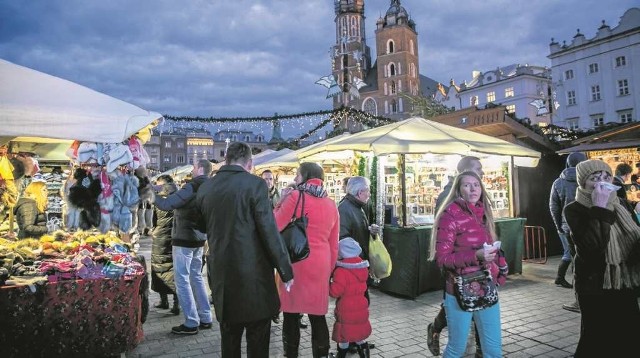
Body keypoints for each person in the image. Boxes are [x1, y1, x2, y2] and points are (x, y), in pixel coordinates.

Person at [196, 142, 294, 357]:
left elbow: (202, 226)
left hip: (222, 272)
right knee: (258, 339)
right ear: (249, 163)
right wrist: (285, 270)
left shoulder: (206, 187)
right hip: (254, 274)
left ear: (226, 159)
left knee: (229, 339)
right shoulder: (256, 185)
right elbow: (269, 231)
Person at [564, 159, 640, 357]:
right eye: (594, 178)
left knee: (630, 338)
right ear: (583, 183)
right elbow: (592, 248)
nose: (601, 182)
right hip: (594, 285)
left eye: (606, 177)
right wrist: (599, 207)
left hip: (624, 281)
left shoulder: (621, 204)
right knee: (596, 341)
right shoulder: (574, 209)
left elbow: (633, 242)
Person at [429, 171, 508, 358]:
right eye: (467, 185)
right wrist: (477, 255)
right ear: (458, 190)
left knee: (493, 349)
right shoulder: (449, 215)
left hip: (486, 287)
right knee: (456, 348)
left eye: (476, 184)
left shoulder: (483, 213)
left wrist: (497, 262)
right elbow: (443, 259)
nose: (473, 189)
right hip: (458, 291)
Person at [273, 162, 339, 358]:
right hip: (321, 264)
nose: (295, 179)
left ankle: (291, 354)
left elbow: (274, 226)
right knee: (318, 316)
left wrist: (280, 202)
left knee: (291, 314)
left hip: (296, 261)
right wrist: (329, 269)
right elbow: (334, 243)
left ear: (306, 176)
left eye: (297, 175)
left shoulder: (295, 197)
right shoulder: (331, 203)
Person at [428, 155, 484, 357]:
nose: (482, 173)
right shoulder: (448, 197)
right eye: (478, 169)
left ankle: (480, 348)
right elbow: (443, 237)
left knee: (477, 299)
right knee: (461, 300)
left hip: (477, 262)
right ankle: (435, 327)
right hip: (457, 264)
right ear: (465, 172)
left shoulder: (478, 194)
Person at [153, 159, 213, 335]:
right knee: (196, 276)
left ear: (200, 169)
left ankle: (191, 322)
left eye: (194, 167)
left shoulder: (192, 186)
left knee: (182, 279)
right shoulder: (211, 187)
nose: (193, 170)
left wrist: (150, 194)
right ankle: (206, 317)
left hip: (184, 239)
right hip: (200, 239)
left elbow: (166, 205)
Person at [337, 176, 378, 352]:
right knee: (351, 308)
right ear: (360, 192)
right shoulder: (346, 208)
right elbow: (343, 240)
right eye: (368, 191)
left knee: (358, 306)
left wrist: (370, 231)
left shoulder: (355, 206)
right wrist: (357, 262)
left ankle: (354, 339)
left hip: (356, 267)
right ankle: (348, 342)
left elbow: (354, 232)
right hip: (351, 270)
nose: (369, 194)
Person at [549, 152, 587, 294]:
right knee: (584, 256)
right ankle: (581, 285)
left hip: (566, 226)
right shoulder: (587, 180)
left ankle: (574, 284)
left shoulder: (558, 182)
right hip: (586, 225)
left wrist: (559, 226)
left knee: (572, 255)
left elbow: (554, 207)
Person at [329, 238, 371, 358]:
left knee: (344, 335)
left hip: (346, 308)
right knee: (358, 334)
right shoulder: (362, 267)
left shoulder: (341, 271)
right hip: (361, 306)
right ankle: (365, 354)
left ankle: (341, 355)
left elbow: (334, 292)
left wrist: (328, 284)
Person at [150, 174, 179, 315]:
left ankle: (163, 301)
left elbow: (154, 221)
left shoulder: (157, 198)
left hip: (160, 238)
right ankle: (176, 304)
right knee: (175, 271)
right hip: (175, 236)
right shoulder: (179, 196)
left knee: (159, 270)